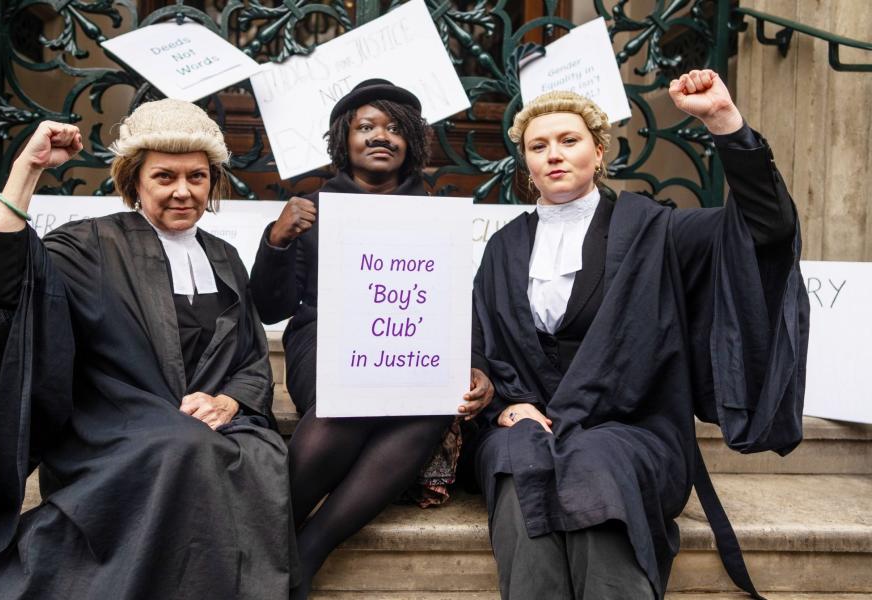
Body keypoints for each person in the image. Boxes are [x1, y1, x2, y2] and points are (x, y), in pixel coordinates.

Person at [0, 99, 296, 599]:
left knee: (248, 455)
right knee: (182, 449)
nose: (183, 191)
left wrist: (229, 402)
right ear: (134, 181)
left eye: (197, 177)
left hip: (213, 425)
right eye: (165, 177)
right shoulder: (90, 244)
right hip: (113, 425)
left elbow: (251, 357)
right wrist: (26, 170)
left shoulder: (225, 257)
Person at [472, 70, 808, 599]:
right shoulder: (503, 249)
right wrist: (503, 408)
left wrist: (723, 121)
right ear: (528, 165)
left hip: (633, 427)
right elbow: (482, 346)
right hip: (530, 423)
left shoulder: (656, 229)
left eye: (569, 140)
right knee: (517, 458)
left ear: (599, 152)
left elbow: (768, 226)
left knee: (596, 462)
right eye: (539, 146)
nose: (553, 154)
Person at [250, 79, 494, 598]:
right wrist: (276, 239)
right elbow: (270, 307)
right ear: (345, 139)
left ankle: (310, 549)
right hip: (325, 346)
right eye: (365, 127)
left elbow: (450, 306)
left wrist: (473, 367)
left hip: (407, 346)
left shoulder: (436, 215)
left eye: (393, 128)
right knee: (353, 393)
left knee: (432, 404)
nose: (379, 136)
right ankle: (265, 535)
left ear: (411, 141)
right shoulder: (309, 209)